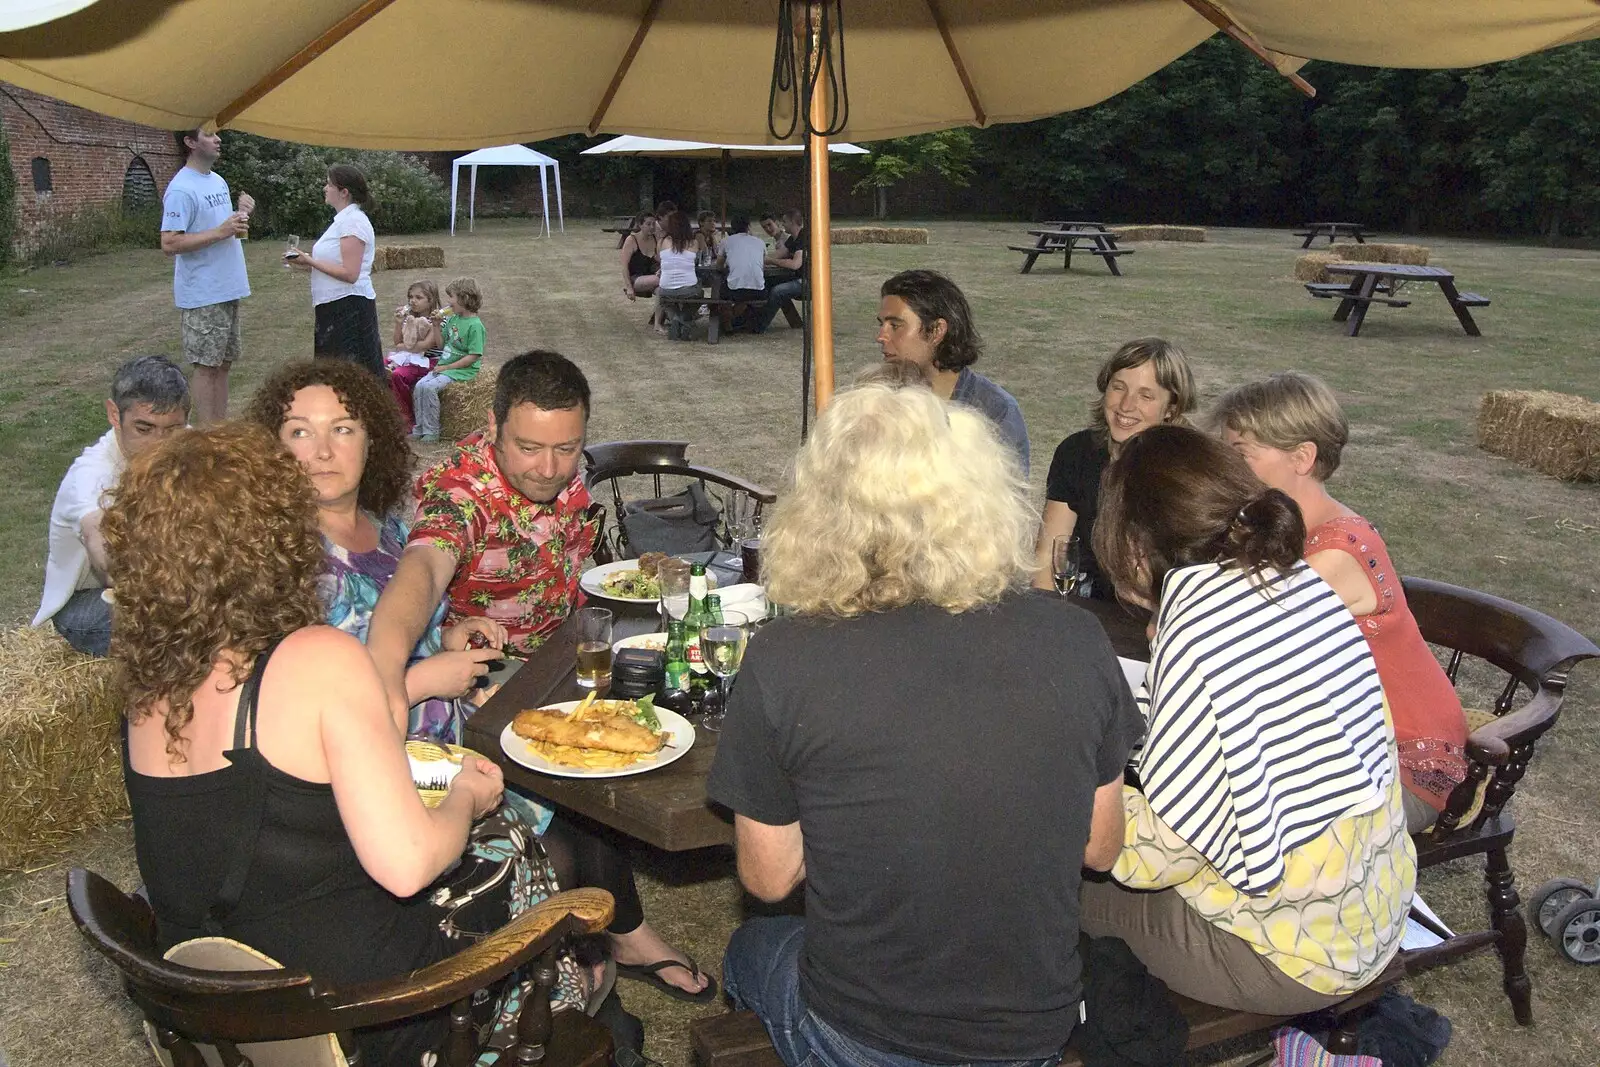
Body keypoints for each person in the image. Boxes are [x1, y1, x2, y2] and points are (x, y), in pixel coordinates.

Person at [102, 422, 595, 1067]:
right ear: (276, 539)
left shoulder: (150, 684)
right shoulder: (316, 659)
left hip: (224, 1003)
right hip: (360, 1014)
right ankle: (571, 1009)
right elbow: (408, 865)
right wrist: (467, 797)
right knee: (515, 850)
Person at [710, 383, 1141, 1067]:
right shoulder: (1077, 638)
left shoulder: (784, 657)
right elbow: (1100, 848)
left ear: (821, 507)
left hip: (861, 1036)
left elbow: (768, 880)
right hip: (1031, 1031)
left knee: (746, 948)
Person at [365, 350, 714, 1000]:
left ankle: (614, 911)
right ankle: (624, 933)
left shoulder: (563, 467)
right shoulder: (459, 490)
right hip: (489, 682)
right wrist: (385, 668)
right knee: (584, 768)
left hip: (570, 649)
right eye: (528, 447)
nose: (549, 468)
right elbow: (422, 571)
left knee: (679, 692)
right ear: (494, 425)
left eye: (567, 447)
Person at [1082, 424, 1415, 1016]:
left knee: (1037, 879)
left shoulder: (1202, 624)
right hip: (1372, 902)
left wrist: (1075, 774)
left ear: (1133, 546)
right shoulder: (1294, 577)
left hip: (1290, 955)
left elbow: (1144, 854)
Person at [1213, 372, 1469, 830]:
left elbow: (1234, 637)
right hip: (1345, 740)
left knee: (1247, 817)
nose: (1228, 468)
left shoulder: (1335, 554)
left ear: (1302, 457)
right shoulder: (1285, 527)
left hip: (1401, 765)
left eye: (1241, 454)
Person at [33, 356, 189, 656]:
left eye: (172, 430)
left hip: (168, 583)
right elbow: (101, 543)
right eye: (144, 429)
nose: (160, 445)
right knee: (185, 631)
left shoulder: (189, 446)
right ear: (114, 415)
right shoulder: (91, 476)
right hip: (86, 604)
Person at [1032, 339, 1195, 599]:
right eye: (1119, 387)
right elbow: (1049, 553)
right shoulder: (1077, 452)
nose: (1126, 405)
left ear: (1171, 408)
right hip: (1084, 605)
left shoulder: (1187, 472)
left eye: (1146, 395)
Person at [874, 269, 1030, 475]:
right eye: (881, 324)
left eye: (895, 325)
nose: (881, 336)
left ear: (937, 330)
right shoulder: (875, 401)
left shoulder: (995, 411)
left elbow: (1006, 500)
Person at [160, 127, 252, 424]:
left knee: (223, 364)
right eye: (209, 135)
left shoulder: (217, 181)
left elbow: (221, 229)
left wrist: (240, 216)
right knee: (206, 366)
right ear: (189, 142)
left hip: (228, 286)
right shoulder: (181, 189)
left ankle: (220, 430)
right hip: (203, 293)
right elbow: (169, 242)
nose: (218, 139)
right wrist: (221, 231)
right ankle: (207, 434)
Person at [286, 162, 382, 376]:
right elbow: (334, 266)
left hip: (349, 308)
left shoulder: (353, 222)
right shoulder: (342, 222)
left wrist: (310, 261)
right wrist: (305, 262)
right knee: (333, 376)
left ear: (344, 192)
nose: (324, 188)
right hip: (333, 306)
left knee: (350, 377)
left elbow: (350, 274)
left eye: (329, 184)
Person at [411, 277, 485, 443]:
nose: (448, 302)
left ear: (464, 298)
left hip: (461, 370)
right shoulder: (453, 319)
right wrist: (436, 326)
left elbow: (474, 356)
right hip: (445, 366)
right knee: (419, 386)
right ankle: (420, 428)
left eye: (451, 297)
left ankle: (432, 431)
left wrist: (448, 368)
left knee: (429, 388)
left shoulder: (475, 326)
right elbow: (441, 344)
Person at [386, 279, 445, 432]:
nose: (413, 301)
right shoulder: (408, 319)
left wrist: (403, 346)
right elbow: (396, 341)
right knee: (379, 365)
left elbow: (426, 345)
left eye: (418, 298)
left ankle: (406, 417)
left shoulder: (437, 320)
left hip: (429, 361)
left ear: (430, 299)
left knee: (398, 375)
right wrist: (399, 323)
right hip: (408, 357)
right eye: (410, 297)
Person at [753, 208, 806, 334]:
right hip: (795, 278)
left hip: (807, 281)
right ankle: (750, 318)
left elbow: (795, 264)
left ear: (793, 222)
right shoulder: (792, 239)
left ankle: (758, 327)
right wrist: (753, 259)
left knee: (778, 291)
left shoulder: (804, 237)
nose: (782, 225)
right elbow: (777, 255)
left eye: (784, 222)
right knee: (765, 281)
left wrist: (771, 261)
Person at [654, 210, 702, 342]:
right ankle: (684, 319)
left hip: (665, 288)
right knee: (699, 293)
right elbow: (696, 261)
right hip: (688, 289)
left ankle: (675, 317)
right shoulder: (693, 243)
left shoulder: (662, 242)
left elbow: (661, 259)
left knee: (667, 300)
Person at [718, 213, 767, 333]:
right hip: (759, 291)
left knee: (721, 292)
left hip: (736, 290)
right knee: (744, 292)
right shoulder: (760, 242)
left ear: (732, 228)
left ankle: (727, 323)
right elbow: (763, 265)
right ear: (749, 226)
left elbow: (719, 265)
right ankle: (738, 318)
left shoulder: (726, 241)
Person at [619, 213, 662, 321]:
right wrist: (629, 288)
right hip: (636, 279)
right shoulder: (631, 240)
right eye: (648, 224)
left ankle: (664, 321)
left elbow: (662, 260)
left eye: (653, 224)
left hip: (654, 277)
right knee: (665, 279)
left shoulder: (656, 239)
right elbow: (624, 266)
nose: (652, 227)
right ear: (640, 225)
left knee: (664, 292)